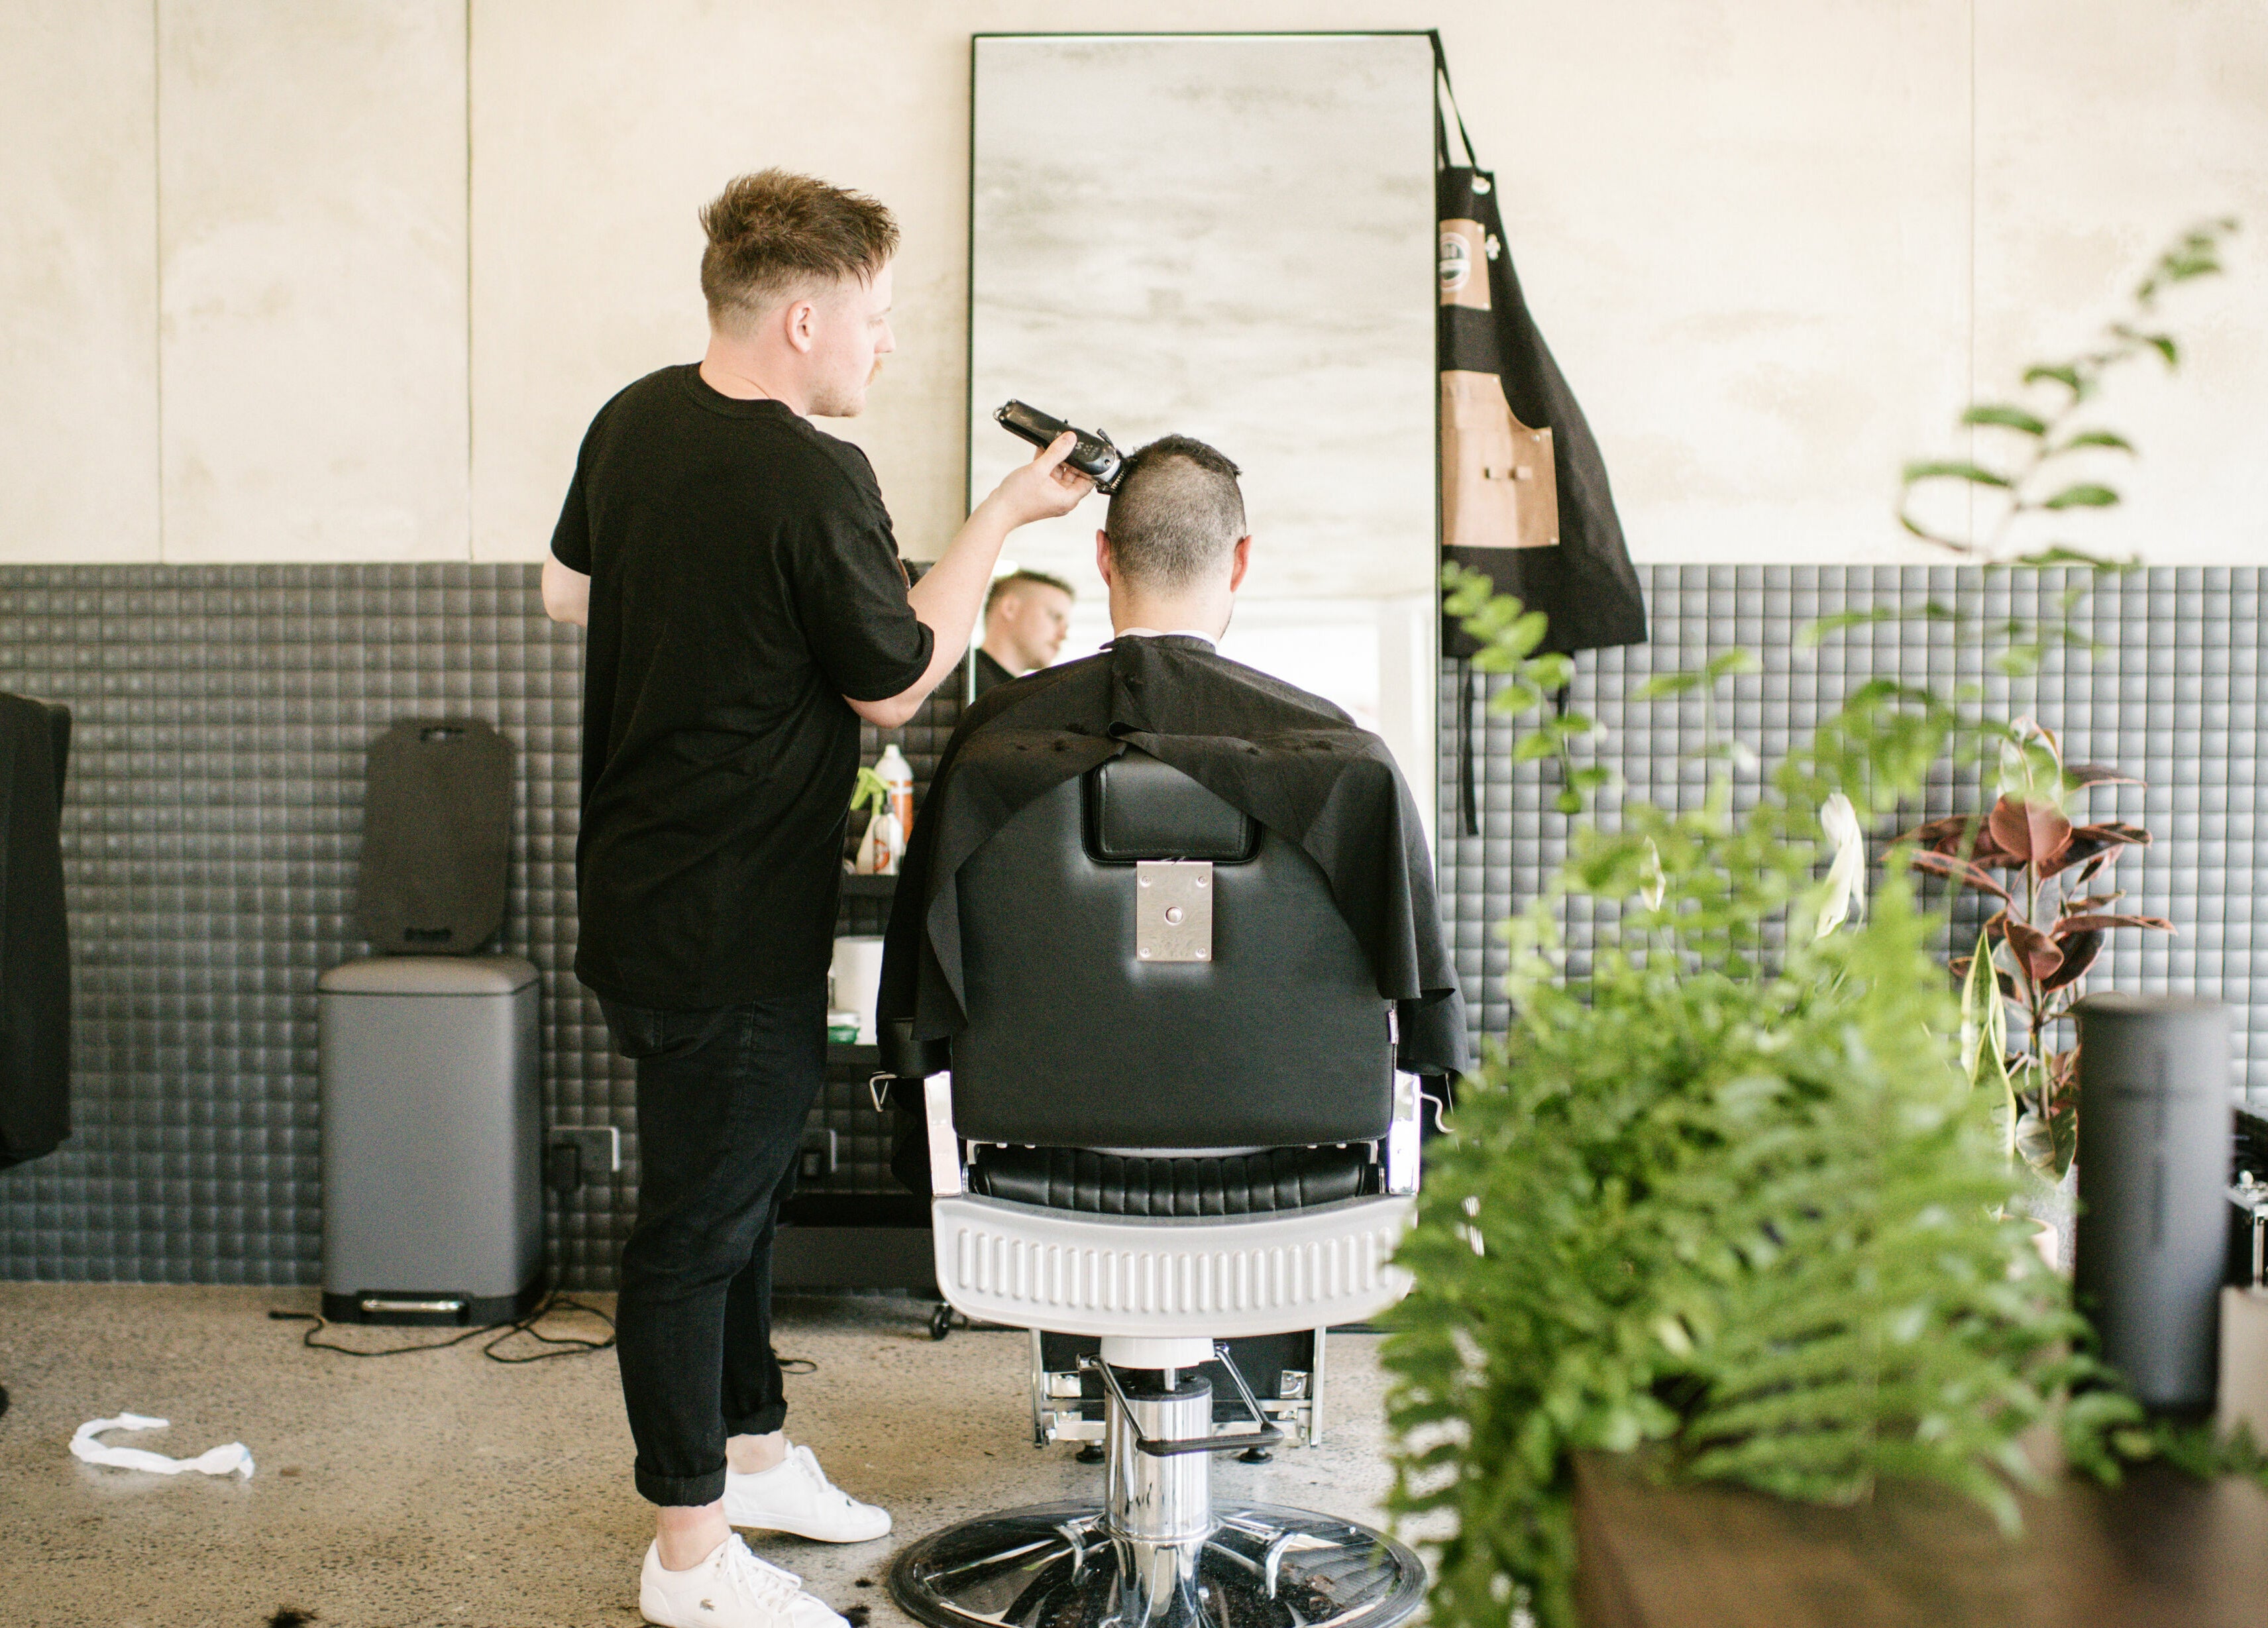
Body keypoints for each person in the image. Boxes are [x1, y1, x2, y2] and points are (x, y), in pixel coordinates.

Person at [540, 170, 1093, 1628]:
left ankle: (755, 1446)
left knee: (738, 1185)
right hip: (727, 907)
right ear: (800, 318)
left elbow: (563, 588)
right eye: (877, 319)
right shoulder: (808, 474)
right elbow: (899, 680)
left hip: (644, 890)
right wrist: (1002, 516)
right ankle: (687, 1555)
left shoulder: (634, 416)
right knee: (696, 1221)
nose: (885, 345)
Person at [878, 435, 1465, 1180]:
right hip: (1302, 1171)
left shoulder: (993, 741)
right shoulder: (1348, 761)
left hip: (1037, 1166)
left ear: (1103, 556)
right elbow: (1425, 1020)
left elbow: (915, 1005)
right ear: (1241, 560)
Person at [970, 569, 1075, 696]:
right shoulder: (956, 681)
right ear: (1010, 608)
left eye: (1066, 626)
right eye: (1055, 617)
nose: (1063, 635)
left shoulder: (1024, 699)